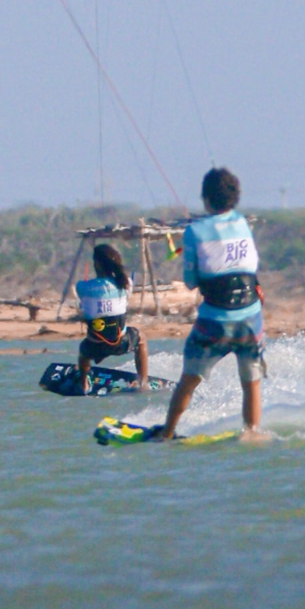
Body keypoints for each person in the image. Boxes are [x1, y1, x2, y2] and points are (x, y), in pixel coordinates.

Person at [159, 168, 265, 439]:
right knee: (251, 382)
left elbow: (192, 281)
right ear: (235, 197)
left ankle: (167, 433)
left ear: (205, 198)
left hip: (215, 320)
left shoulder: (194, 231)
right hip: (250, 317)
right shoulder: (243, 224)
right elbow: (250, 267)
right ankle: (252, 432)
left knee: (189, 380)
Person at [74, 239, 148, 392]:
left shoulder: (82, 286)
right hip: (121, 343)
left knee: (83, 351)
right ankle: (143, 383)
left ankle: (84, 384)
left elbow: (90, 305)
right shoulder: (126, 283)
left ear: (97, 264)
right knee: (141, 338)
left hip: (93, 346)